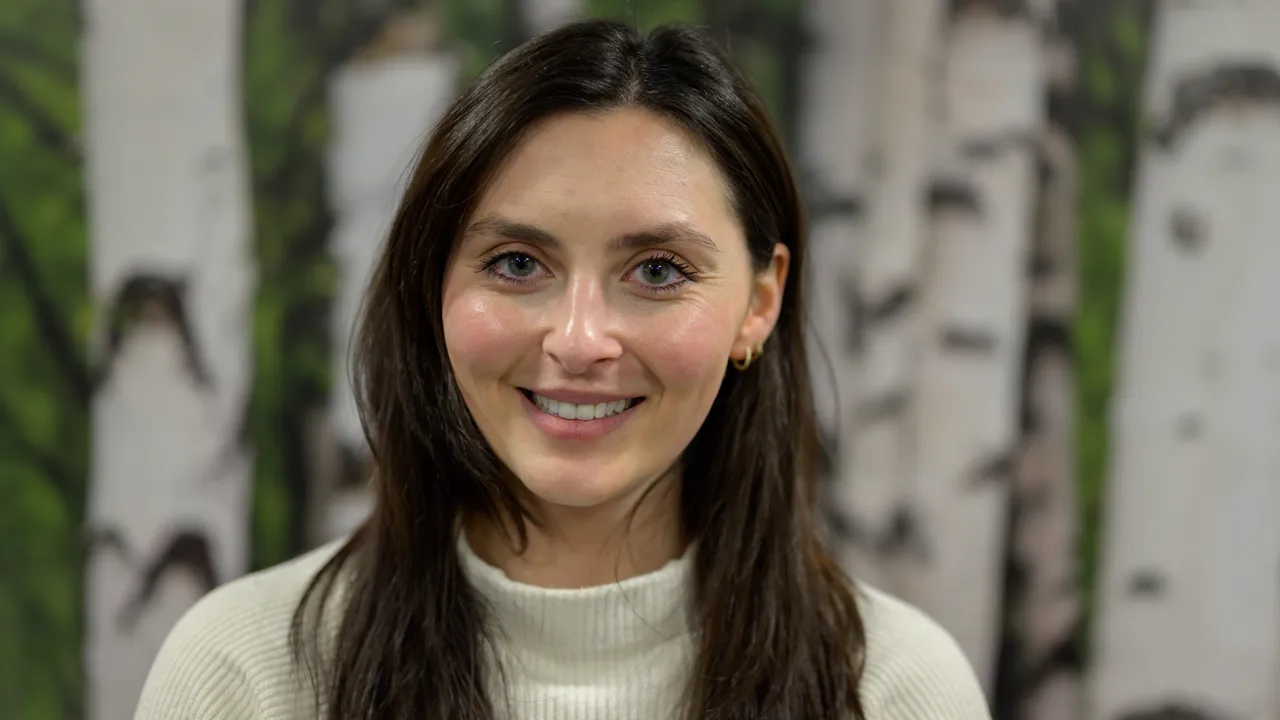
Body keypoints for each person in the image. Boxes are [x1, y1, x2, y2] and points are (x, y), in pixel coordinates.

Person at [135, 19, 990, 720]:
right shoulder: (245, 677)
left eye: (657, 270)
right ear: (433, 286)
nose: (580, 341)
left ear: (759, 302)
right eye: (515, 263)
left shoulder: (894, 692)